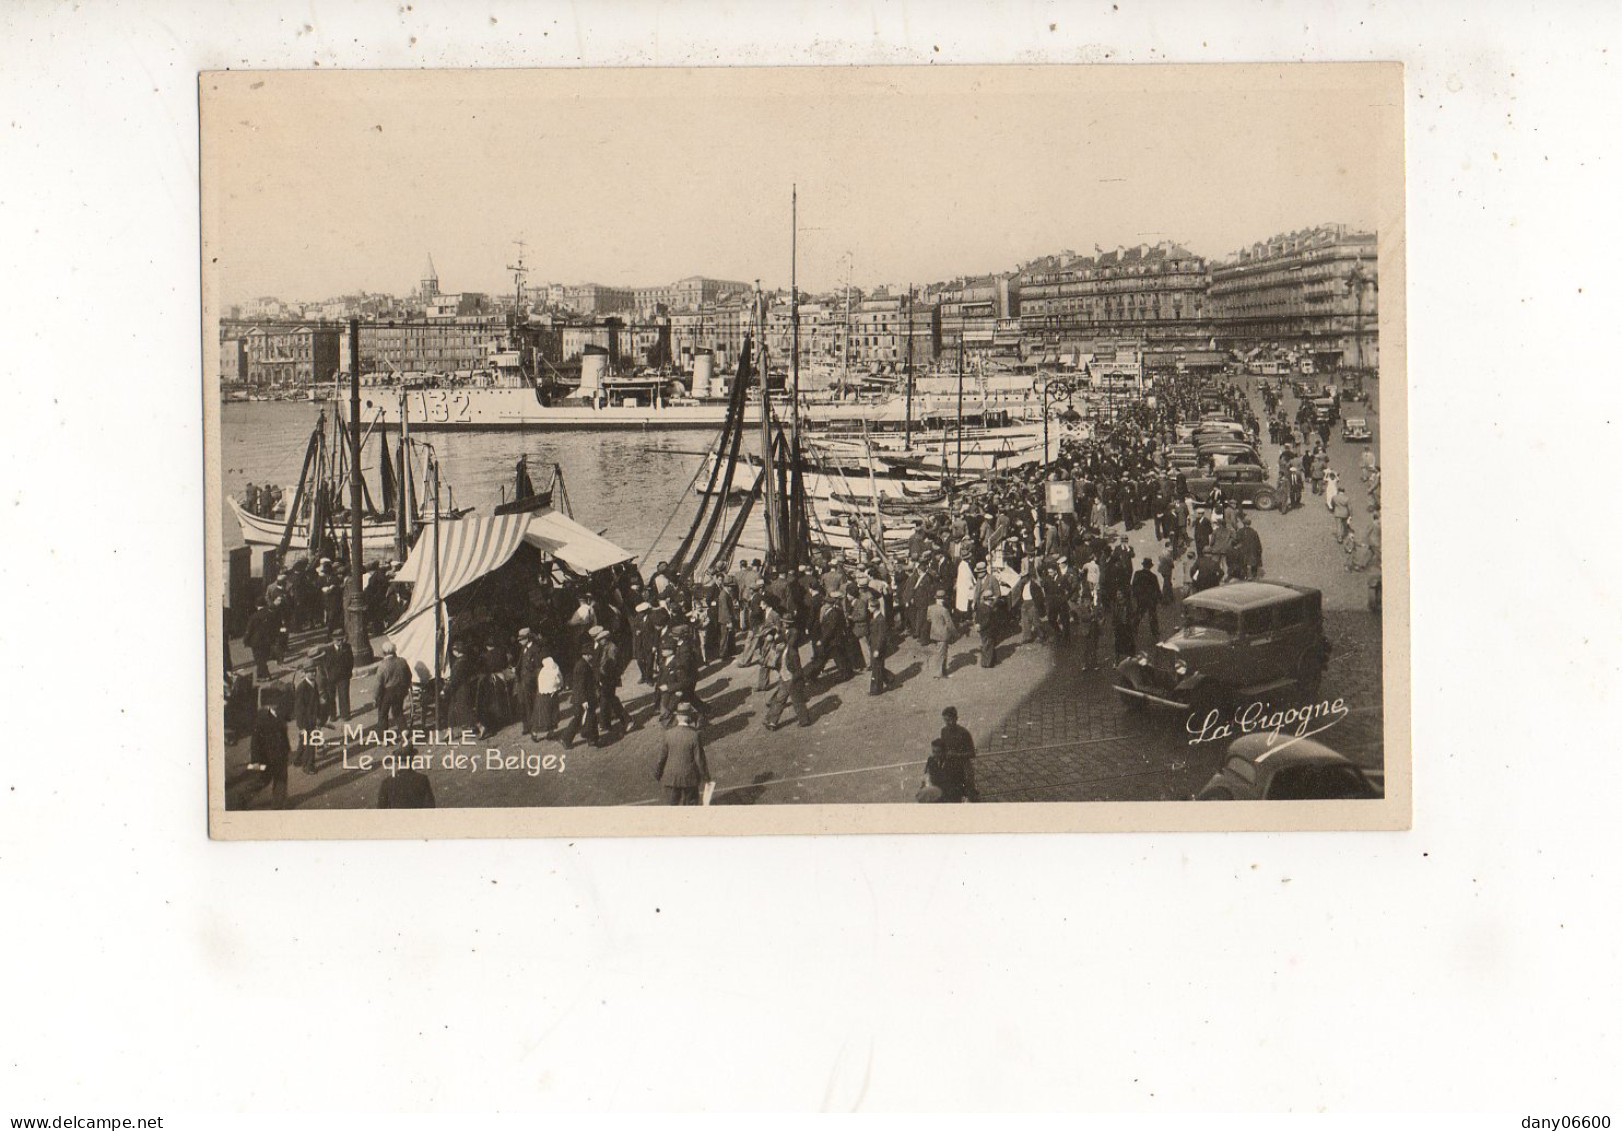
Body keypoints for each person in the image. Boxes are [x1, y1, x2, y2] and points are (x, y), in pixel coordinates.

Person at [654, 702, 711, 805]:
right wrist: (706, 777)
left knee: (672, 807)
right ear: (689, 717)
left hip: (671, 777)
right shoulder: (694, 735)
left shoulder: (668, 734)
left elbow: (662, 757)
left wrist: (658, 772)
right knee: (690, 807)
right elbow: (700, 760)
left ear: (677, 717)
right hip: (689, 778)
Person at [762, 626, 812, 730]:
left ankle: (804, 721)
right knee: (780, 699)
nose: (777, 646)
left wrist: (796, 680)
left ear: (783, 644)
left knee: (797, 701)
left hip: (791, 679)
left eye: (779, 644)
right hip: (784, 678)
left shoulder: (792, 653)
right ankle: (772, 722)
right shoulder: (780, 652)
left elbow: (798, 669)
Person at [248, 697, 292, 809]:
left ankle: (278, 805)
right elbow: (255, 743)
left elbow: (284, 736)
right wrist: (255, 761)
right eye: (274, 705)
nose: (277, 707)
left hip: (281, 755)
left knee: (281, 780)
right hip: (267, 758)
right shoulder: (261, 718)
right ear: (269, 705)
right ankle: (242, 797)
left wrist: (288, 750)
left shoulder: (281, 715)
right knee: (262, 781)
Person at [937, 706, 978, 802]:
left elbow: (972, 753)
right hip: (950, 766)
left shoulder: (964, 733)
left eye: (950, 720)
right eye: (945, 720)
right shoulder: (944, 731)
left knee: (967, 793)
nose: (948, 723)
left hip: (963, 767)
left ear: (956, 718)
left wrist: (956, 755)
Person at [374, 642, 413, 731]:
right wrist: (405, 688)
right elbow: (409, 675)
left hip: (387, 692)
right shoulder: (402, 661)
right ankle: (404, 731)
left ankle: (383, 737)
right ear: (394, 651)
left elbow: (378, 684)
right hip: (400, 690)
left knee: (383, 714)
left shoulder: (383, 666)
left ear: (384, 652)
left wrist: (375, 697)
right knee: (398, 712)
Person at [927, 589, 958, 678]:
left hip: (934, 633)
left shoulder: (930, 608)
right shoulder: (944, 610)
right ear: (943, 599)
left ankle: (942, 672)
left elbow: (928, 619)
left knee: (939, 652)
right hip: (943, 635)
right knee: (942, 654)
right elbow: (949, 624)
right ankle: (939, 673)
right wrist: (955, 634)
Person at [530, 653, 561, 739]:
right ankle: (535, 732)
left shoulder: (553, 670)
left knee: (551, 714)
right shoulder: (545, 672)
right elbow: (554, 683)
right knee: (543, 715)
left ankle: (550, 732)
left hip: (550, 696)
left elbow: (559, 681)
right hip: (544, 697)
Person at [1131, 557, 1163, 642]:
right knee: (1152, 616)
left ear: (1143, 565)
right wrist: (1160, 598)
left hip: (1141, 598)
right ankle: (1155, 633)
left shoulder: (1137, 574)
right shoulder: (1153, 576)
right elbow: (1157, 589)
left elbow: (1133, 585)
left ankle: (1134, 629)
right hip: (1151, 599)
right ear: (1150, 566)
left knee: (1138, 614)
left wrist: (1135, 595)